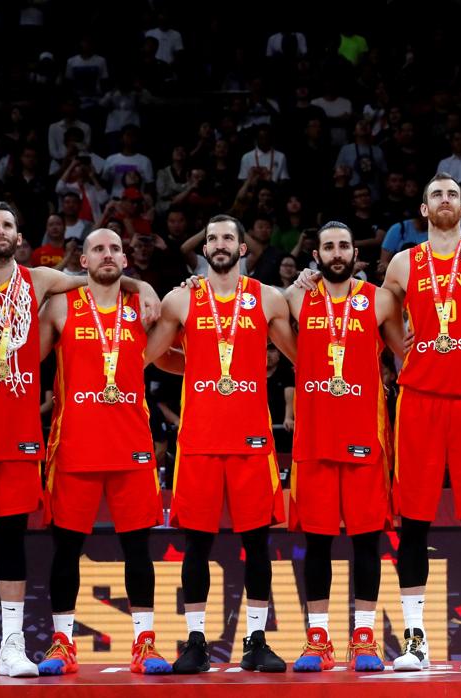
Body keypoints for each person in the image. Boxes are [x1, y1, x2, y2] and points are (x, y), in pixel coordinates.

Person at [0, 203, 158, 679]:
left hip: (19, 433)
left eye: (8, 225)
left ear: (19, 237)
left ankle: (11, 647)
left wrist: (140, 283)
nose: (1, 231)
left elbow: (101, 276)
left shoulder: (38, 282)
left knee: (14, 539)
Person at [142, 214, 297, 674]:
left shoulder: (267, 298)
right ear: (203, 248)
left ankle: (256, 639)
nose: (221, 244)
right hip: (199, 439)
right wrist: (192, 366)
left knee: (257, 542)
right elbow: (150, 356)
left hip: (252, 439)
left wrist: (304, 288)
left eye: (229, 237)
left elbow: (301, 355)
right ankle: (195, 641)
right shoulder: (181, 300)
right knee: (197, 544)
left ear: (243, 247)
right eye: (213, 238)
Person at [379, 173, 461, 671]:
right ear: (422, 207)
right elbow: (380, 310)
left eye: (453, 194)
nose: (445, 200)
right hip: (419, 400)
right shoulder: (402, 263)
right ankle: (415, 640)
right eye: (436, 193)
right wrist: (399, 347)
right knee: (413, 524)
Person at [33, 230, 172, 675]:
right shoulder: (59, 307)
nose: (107, 255)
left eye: (115, 248)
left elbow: (175, 355)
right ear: (83, 259)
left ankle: (144, 643)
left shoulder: (146, 308)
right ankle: (62, 643)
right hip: (74, 443)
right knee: (66, 549)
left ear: (126, 259)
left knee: (138, 548)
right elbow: (22, 361)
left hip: (131, 444)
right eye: (98, 249)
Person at [284, 222, 403, 672]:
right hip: (313, 442)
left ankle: (364, 637)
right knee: (317, 544)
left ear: (356, 252)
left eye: (344, 246)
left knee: (366, 543)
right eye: (329, 247)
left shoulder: (379, 300)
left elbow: (405, 354)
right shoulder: (295, 298)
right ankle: (318, 639)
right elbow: (278, 336)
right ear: (316, 254)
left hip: (363, 440)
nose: (337, 253)